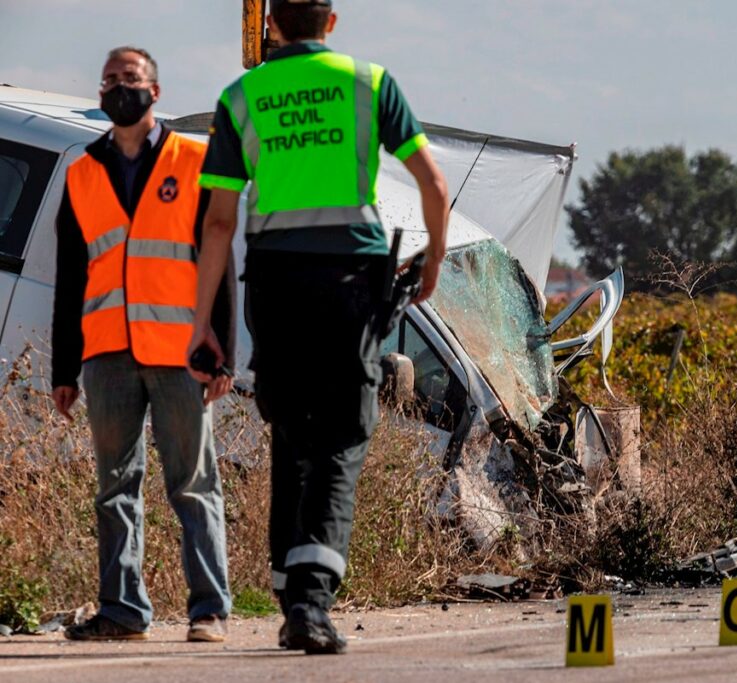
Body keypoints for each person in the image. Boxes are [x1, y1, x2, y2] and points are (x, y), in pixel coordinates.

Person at [187, 0, 449, 655]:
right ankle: (309, 600)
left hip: (273, 283)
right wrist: (433, 260)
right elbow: (433, 184)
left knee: (291, 427)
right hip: (349, 283)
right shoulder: (370, 82)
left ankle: (289, 587)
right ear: (331, 23)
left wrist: (203, 326)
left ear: (271, 24)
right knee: (342, 432)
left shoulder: (242, 94)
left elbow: (216, 223)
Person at [50, 46, 235, 642]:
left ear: (155, 91)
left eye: (129, 79)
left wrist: (222, 349)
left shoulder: (192, 157)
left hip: (182, 352)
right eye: (108, 80)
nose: (117, 88)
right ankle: (124, 611)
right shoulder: (81, 173)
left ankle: (209, 611)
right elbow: (70, 279)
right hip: (106, 357)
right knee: (114, 488)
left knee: (193, 483)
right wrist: (62, 369)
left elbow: (218, 253)